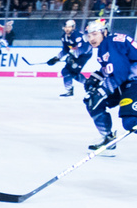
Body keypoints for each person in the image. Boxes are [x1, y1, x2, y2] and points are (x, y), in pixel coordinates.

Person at [80, 19, 137, 154]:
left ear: (104, 32)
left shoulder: (112, 43)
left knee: (131, 121)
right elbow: (112, 68)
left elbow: (120, 72)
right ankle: (108, 139)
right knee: (92, 101)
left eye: (94, 34)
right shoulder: (106, 45)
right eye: (89, 36)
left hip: (133, 82)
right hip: (126, 82)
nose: (91, 38)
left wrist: (103, 90)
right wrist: (98, 75)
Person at [46, 19, 91, 97]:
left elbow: (84, 49)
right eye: (66, 27)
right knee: (66, 72)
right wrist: (56, 58)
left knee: (71, 71)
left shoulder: (78, 36)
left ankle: (89, 84)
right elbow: (65, 50)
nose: (67, 29)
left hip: (84, 55)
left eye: (69, 27)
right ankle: (72, 89)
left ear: (73, 27)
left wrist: (72, 56)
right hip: (75, 55)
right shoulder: (64, 37)